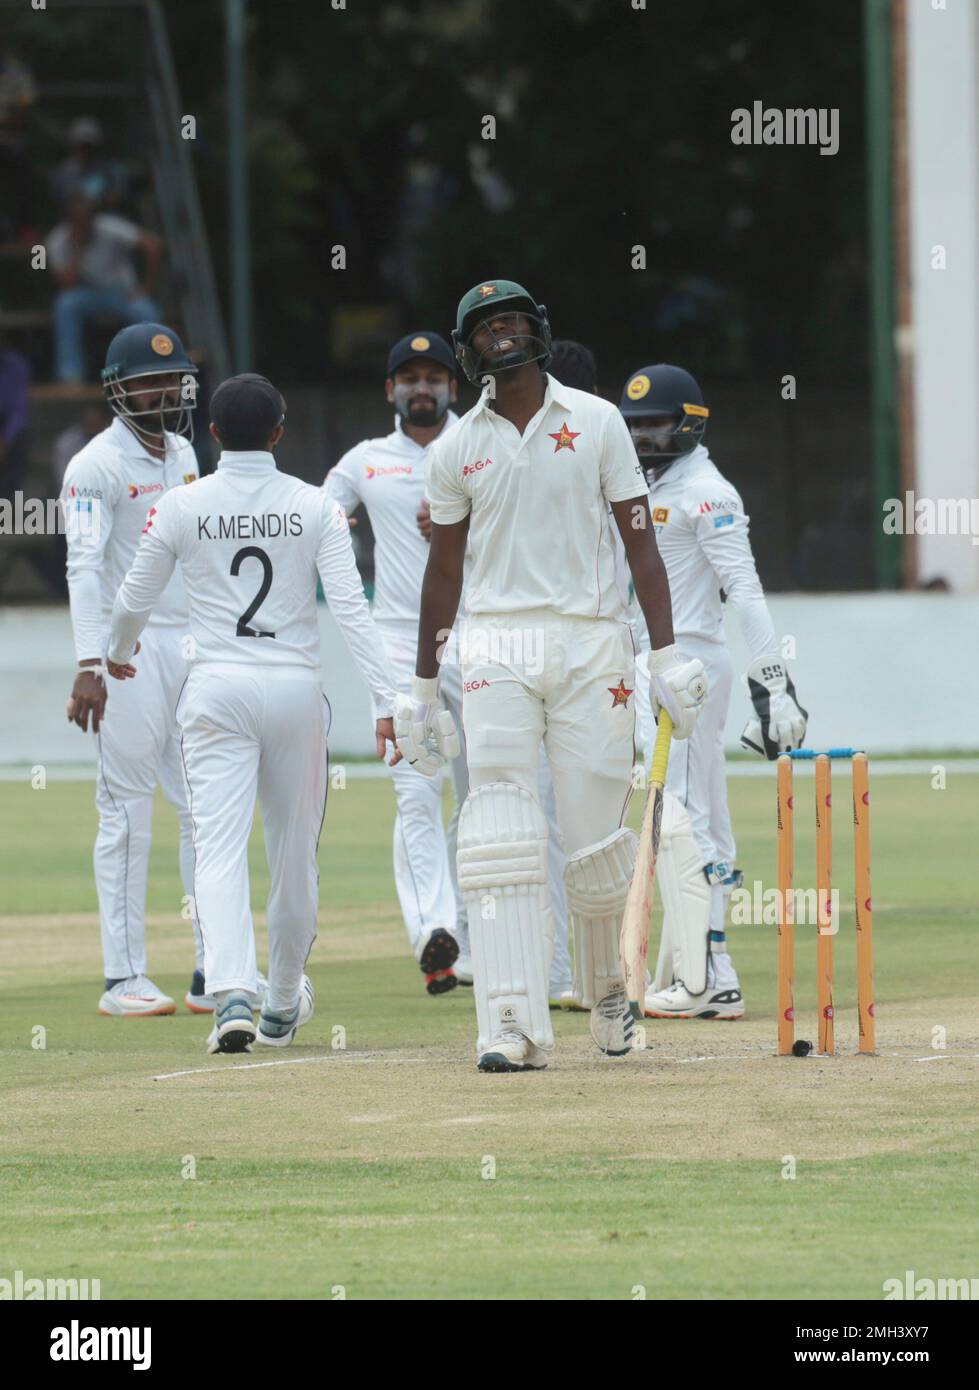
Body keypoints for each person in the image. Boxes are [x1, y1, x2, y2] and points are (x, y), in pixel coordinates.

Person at [396, 279, 707, 1072]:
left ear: (537, 330)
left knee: (593, 841)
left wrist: (663, 654)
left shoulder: (598, 422)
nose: (502, 336)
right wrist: (423, 687)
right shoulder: (456, 448)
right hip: (495, 645)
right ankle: (510, 1024)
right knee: (498, 834)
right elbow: (443, 573)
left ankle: (609, 998)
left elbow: (640, 544)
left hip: (592, 644)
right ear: (469, 352)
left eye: (513, 322)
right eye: (486, 328)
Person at [106, 373, 399, 1054]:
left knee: (217, 847)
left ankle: (233, 989)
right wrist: (386, 701)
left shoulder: (182, 505)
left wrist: (117, 651)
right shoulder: (313, 504)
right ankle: (283, 998)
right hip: (296, 689)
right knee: (295, 854)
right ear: (278, 432)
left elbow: (132, 597)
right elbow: (352, 609)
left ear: (210, 435)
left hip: (216, 690)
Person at [618, 364, 808, 1020]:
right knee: (700, 814)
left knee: (682, 813)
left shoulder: (707, 492)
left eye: (655, 424)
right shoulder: (645, 483)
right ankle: (713, 972)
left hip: (687, 664)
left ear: (689, 423)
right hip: (654, 664)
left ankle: (700, 976)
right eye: (635, 425)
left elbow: (745, 591)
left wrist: (775, 682)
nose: (643, 436)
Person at [60, 322, 209, 1017]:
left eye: (171, 378)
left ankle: (216, 967)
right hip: (127, 656)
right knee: (125, 811)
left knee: (204, 809)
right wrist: (90, 661)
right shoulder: (93, 466)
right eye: (147, 381)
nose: (162, 391)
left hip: (192, 647)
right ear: (118, 389)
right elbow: (83, 568)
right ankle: (123, 978)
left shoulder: (183, 451)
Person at [323, 332, 471, 994]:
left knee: (481, 795)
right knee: (416, 793)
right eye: (408, 377)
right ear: (389, 391)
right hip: (395, 645)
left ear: (453, 388)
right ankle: (434, 937)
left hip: (479, 638)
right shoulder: (364, 461)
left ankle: (473, 937)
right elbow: (315, 517)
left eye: (433, 376)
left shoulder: (481, 445)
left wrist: (461, 516)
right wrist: (331, 524)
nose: (421, 387)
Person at [47, 196, 162, 382]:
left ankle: (151, 369)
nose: (82, 226)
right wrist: (79, 249)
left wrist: (146, 287)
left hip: (123, 292)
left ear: (93, 219)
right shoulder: (56, 240)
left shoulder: (109, 226)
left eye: (85, 220)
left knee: (146, 310)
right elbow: (66, 283)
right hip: (87, 294)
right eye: (77, 222)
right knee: (65, 304)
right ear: (68, 222)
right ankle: (70, 374)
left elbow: (153, 246)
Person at [49, 116, 128, 211]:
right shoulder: (61, 173)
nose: (84, 150)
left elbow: (116, 197)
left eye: (88, 146)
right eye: (80, 145)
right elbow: (62, 201)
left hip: (106, 217)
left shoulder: (111, 170)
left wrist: (96, 201)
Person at [0, 325, 30, 498]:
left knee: (20, 437)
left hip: (7, 427)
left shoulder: (15, 364)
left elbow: (19, 411)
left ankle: (9, 503)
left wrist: (4, 441)